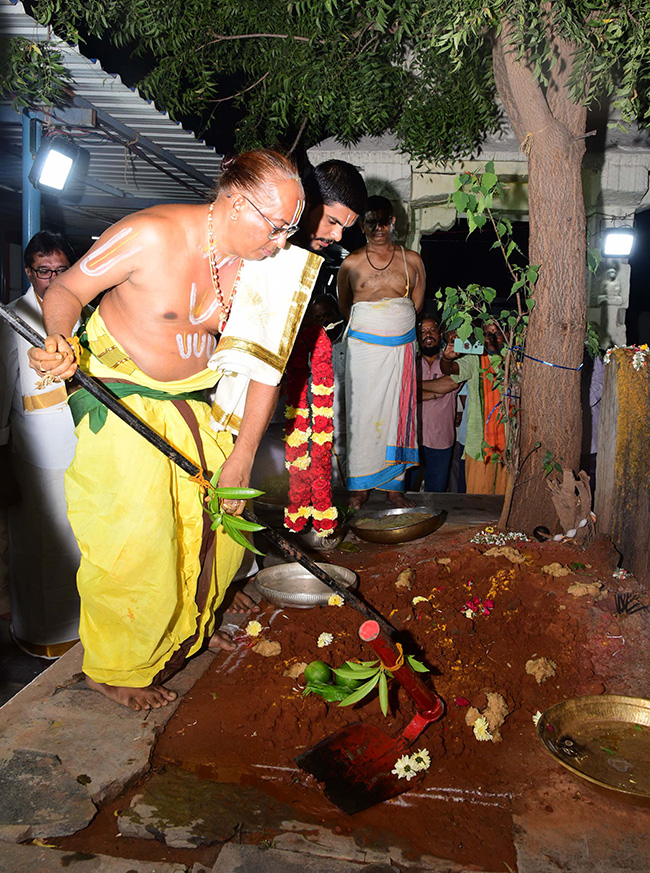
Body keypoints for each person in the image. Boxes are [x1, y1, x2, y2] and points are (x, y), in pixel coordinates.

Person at [29, 150, 321, 711]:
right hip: (122, 399)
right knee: (136, 539)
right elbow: (65, 290)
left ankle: (185, 631)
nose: (283, 241)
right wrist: (60, 338)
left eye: (291, 227)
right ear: (235, 202)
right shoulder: (149, 235)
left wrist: (241, 455)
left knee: (215, 532)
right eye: (276, 226)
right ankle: (114, 669)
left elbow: (266, 372)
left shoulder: (269, 268)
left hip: (198, 407)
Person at [0, 231, 82, 658]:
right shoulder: (12, 319)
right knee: (42, 548)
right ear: (29, 272)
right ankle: (45, 634)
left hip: (88, 449)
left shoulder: (83, 316)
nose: (52, 279)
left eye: (61, 269)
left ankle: (88, 628)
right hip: (37, 456)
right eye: (43, 270)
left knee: (85, 542)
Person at [338, 195, 425, 509]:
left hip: (400, 351)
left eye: (383, 221)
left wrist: (393, 327)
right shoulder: (351, 263)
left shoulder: (412, 260)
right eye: (371, 222)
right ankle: (359, 488)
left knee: (398, 418)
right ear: (362, 225)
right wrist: (375, 330)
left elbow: (415, 304)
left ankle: (394, 487)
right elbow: (346, 306)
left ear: (393, 222)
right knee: (362, 416)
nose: (378, 228)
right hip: (364, 353)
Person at [440, 321, 509, 495]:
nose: (492, 338)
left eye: (498, 333)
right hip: (479, 443)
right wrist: (447, 358)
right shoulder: (474, 358)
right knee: (477, 496)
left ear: (506, 336)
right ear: (481, 337)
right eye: (487, 333)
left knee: (504, 496)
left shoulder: (513, 359)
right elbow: (451, 369)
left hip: (509, 442)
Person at [410, 318, 459, 492]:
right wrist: (436, 392)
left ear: (440, 334)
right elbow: (402, 392)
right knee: (406, 492)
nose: (428, 335)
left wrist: (413, 385)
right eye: (423, 332)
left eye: (432, 330)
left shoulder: (452, 361)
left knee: (437, 493)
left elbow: (451, 383)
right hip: (412, 439)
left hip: (441, 440)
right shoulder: (409, 363)